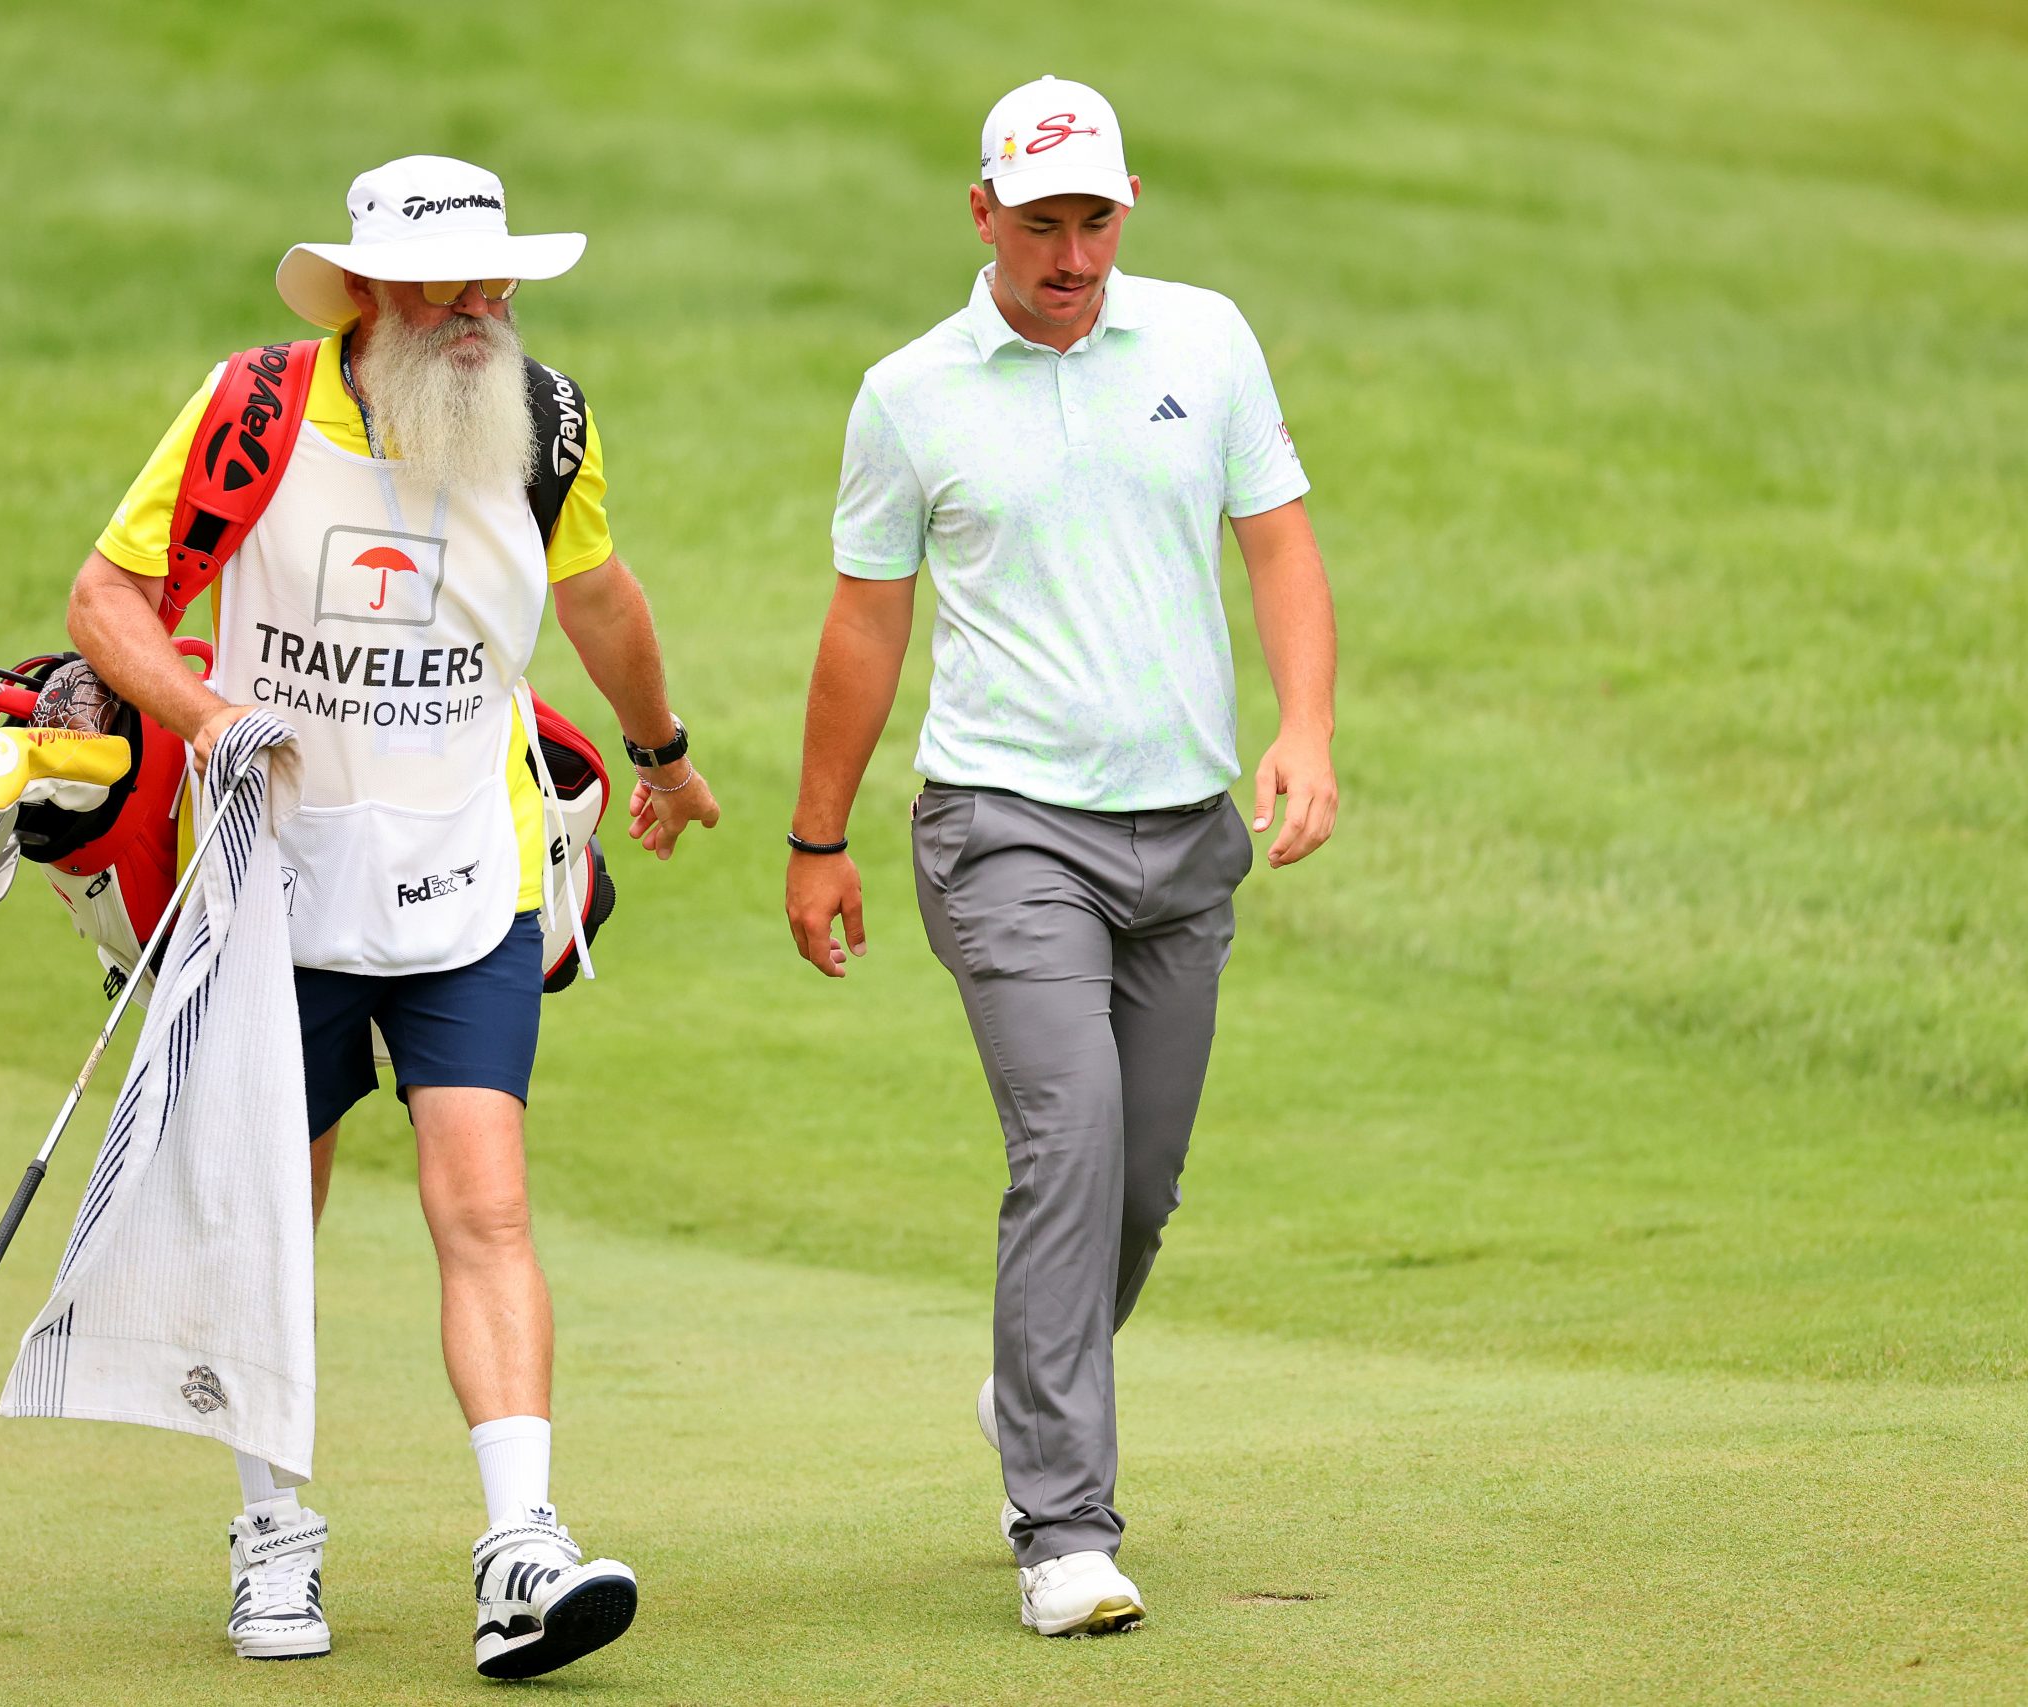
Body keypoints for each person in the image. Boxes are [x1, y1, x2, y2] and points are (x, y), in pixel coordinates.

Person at [65, 154, 718, 1677]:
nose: (475, 310)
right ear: (364, 290)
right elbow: (106, 603)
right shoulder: (251, 411)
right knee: (270, 1222)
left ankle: (520, 1545)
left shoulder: (543, 420)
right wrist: (205, 711)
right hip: (270, 881)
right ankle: (272, 1535)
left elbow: (602, 598)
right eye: (440, 285)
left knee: (483, 1203)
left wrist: (664, 755)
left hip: (467, 875)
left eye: (494, 281)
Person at [783, 77, 1339, 1637]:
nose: (1073, 254)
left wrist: (1305, 726)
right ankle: (1064, 1531)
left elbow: (1279, 537)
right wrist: (816, 838)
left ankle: (1032, 1389)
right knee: (1071, 1151)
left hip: (1186, 833)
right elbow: (863, 623)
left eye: (1097, 220)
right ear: (983, 219)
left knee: (1142, 1191)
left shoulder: (1207, 339)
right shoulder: (909, 395)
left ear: (1126, 207)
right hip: (1003, 829)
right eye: (1042, 224)